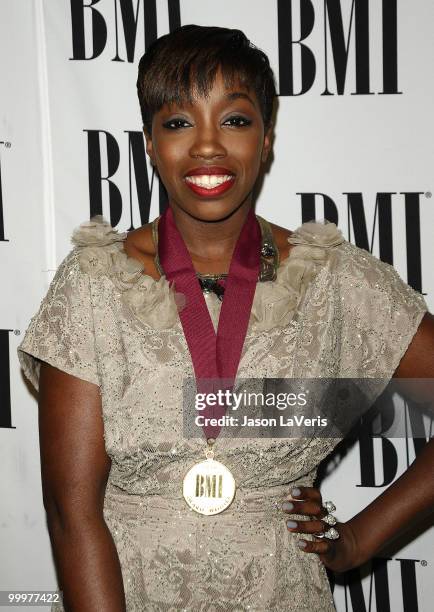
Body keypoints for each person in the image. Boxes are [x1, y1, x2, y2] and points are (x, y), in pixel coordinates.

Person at [17, 24, 434, 612]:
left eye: (235, 120)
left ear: (266, 140)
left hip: (282, 592)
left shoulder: (338, 282)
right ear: (150, 143)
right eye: (179, 122)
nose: (208, 146)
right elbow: (71, 512)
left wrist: (358, 540)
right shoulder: (93, 284)